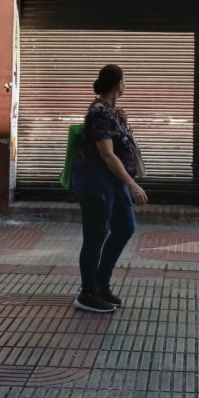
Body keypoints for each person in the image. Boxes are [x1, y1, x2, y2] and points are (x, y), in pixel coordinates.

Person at [70, 64, 147, 313]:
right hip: (95, 180)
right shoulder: (100, 112)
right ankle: (87, 293)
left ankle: (101, 284)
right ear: (118, 84)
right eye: (125, 80)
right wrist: (132, 184)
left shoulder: (111, 111)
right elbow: (106, 154)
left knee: (125, 227)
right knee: (95, 236)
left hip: (111, 181)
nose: (126, 85)